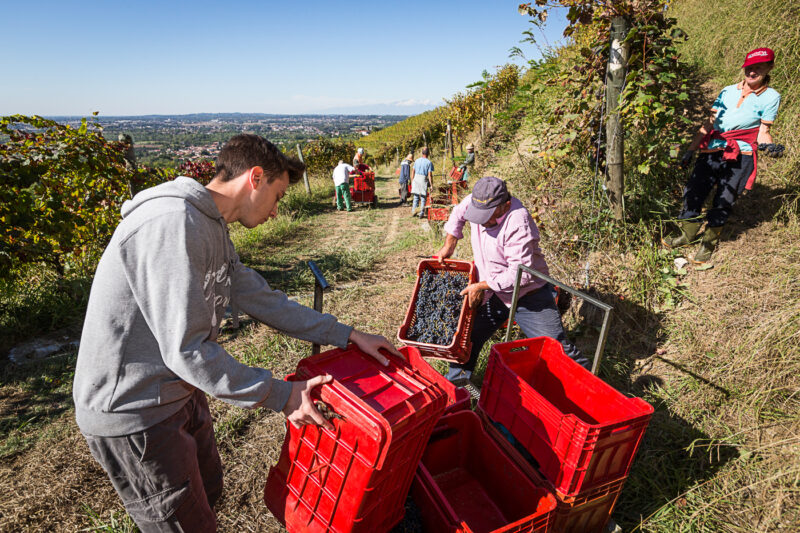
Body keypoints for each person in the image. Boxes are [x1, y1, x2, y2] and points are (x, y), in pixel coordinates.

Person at [73, 134, 402, 532]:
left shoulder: (211, 228)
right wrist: (282, 395)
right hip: (134, 409)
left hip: (178, 391)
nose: (277, 211)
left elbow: (260, 298)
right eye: (278, 196)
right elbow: (188, 350)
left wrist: (346, 334)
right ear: (255, 178)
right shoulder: (173, 223)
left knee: (208, 495)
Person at [435, 176, 590, 385]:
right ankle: (457, 385)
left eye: (487, 217)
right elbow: (458, 214)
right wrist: (450, 243)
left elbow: (521, 274)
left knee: (556, 347)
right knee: (467, 336)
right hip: (494, 294)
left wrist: (482, 285)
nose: (480, 221)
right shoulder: (480, 199)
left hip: (528, 296)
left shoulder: (519, 221)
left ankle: (589, 386)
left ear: (505, 205)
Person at [664, 47, 783, 264]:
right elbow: (709, 123)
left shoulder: (771, 97)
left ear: (769, 67)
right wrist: (692, 149)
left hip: (741, 155)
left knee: (723, 200)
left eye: (759, 67)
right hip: (713, 149)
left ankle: (707, 244)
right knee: (693, 190)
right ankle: (688, 234)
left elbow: (763, 132)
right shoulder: (728, 91)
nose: (753, 71)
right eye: (749, 67)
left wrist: (770, 147)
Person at [410, 147, 434, 218]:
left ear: (422, 153)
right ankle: (421, 213)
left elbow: (413, 171)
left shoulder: (417, 161)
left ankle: (414, 211)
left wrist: (412, 180)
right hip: (423, 179)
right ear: (428, 153)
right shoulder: (429, 162)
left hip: (416, 178)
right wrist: (431, 185)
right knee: (423, 197)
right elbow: (429, 175)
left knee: (416, 197)